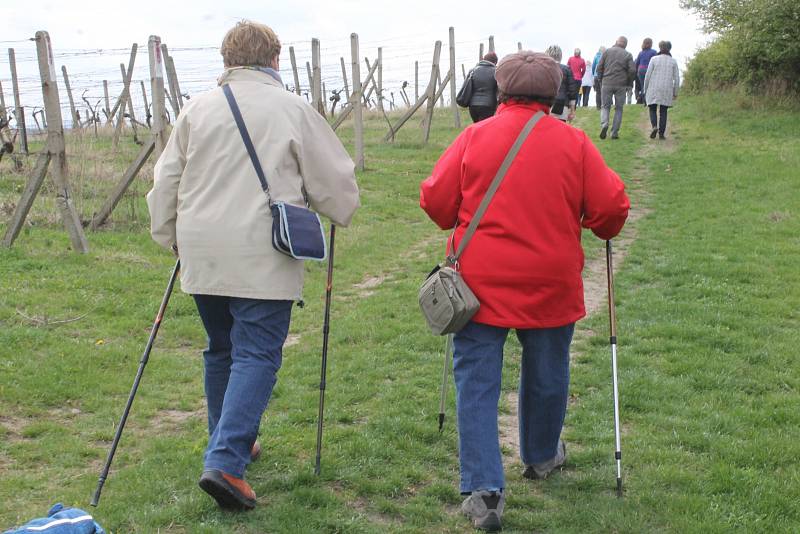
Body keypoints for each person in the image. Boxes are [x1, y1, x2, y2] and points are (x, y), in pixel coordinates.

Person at [146, 20, 360, 511]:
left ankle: (232, 439)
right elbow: (336, 182)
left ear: (226, 60)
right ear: (275, 59)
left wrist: (170, 236)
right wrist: (339, 209)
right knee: (257, 354)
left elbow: (167, 180)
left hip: (202, 247)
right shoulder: (292, 110)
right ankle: (225, 460)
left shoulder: (196, 110)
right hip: (263, 248)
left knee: (221, 349)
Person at [419, 50, 630, 531]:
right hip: (550, 281)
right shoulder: (574, 143)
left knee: (476, 383)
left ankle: (484, 491)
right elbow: (611, 210)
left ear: (502, 89)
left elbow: (435, 200)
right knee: (548, 372)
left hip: (479, 283)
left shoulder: (475, 136)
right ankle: (539, 456)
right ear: (553, 91)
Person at [596, 36, 636, 139]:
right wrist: (629, 83)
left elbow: (599, 68)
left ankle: (604, 124)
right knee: (619, 109)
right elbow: (632, 71)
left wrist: (601, 80)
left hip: (607, 82)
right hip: (621, 85)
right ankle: (614, 132)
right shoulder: (628, 54)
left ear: (616, 42)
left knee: (605, 106)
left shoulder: (607, 52)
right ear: (625, 45)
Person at [644, 40, 680, 139]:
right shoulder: (673, 61)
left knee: (652, 108)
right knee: (663, 111)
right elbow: (677, 78)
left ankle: (654, 126)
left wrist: (645, 89)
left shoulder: (654, 59)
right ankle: (661, 134)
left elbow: (647, 76)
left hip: (653, 88)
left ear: (660, 48)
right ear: (670, 48)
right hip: (666, 89)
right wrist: (675, 92)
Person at [545, 45, 579, 122]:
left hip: (546, 106)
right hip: (562, 107)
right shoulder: (567, 70)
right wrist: (572, 111)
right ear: (560, 56)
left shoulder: (544, 68)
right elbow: (572, 92)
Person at [464, 52, 499, 123]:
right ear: (495, 62)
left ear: (483, 59)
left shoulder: (472, 71)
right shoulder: (496, 71)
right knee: (486, 129)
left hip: (473, 105)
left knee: (477, 126)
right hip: (489, 105)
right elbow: (500, 89)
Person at [634, 38, 657, 104]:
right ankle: (650, 101)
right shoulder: (654, 52)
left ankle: (644, 101)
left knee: (643, 86)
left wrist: (636, 72)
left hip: (641, 70)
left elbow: (637, 63)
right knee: (651, 86)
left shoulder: (641, 53)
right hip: (649, 70)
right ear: (651, 44)